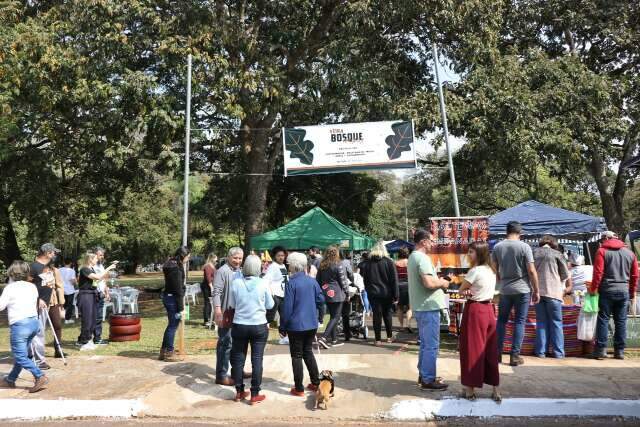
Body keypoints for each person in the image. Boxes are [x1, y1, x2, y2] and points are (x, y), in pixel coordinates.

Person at [492, 221, 540, 367]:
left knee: (501, 321)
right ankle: (514, 356)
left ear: (506, 231)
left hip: (505, 290)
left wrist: (500, 281)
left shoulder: (498, 247)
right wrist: (536, 290)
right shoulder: (525, 247)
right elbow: (531, 270)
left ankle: (497, 354)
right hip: (523, 289)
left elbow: (494, 268)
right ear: (520, 232)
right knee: (520, 322)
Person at [228, 254, 274, 405]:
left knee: (238, 358)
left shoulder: (236, 283)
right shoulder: (263, 283)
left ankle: (239, 391)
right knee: (257, 359)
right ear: (259, 267)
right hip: (259, 325)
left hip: (240, 325)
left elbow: (232, 305)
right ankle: (255, 393)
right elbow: (270, 305)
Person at [458, 241, 501, 402]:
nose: (469, 255)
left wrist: (468, 292)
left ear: (479, 253)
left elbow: (462, 290)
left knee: (472, 349)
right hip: (489, 310)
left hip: (475, 310)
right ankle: (496, 390)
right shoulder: (491, 270)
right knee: (490, 350)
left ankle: (470, 390)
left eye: (471, 252)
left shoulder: (474, 271)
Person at [408, 229, 450, 391]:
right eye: (431, 241)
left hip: (422, 306)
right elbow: (429, 283)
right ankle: (428, 379)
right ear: (423, 242)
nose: (433, 244)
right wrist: (443, 282)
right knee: (431, 345)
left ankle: (425, 374)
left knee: (426, 344)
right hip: (428, 307)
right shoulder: (422, 258)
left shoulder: (413, 257)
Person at [279, 252, 325, 396]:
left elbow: (287, 308)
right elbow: (321, 300)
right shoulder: (312, 281)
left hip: (295, 325)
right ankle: (316, 382)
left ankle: (299, 388)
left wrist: (282, 326)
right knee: (308, 352)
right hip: (311, 323)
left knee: (296, 356)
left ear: (292, 266)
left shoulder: (291, 283)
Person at [0, 261, 49, 393]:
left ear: (12, 273)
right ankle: (10, 379)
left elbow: (1, 306)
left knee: (20, 356)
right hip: (33, 323)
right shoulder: (31, 286)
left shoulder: (10, 288)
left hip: (20, 325)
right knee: (21, 355)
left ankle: (39, 376)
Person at [590, 231, 639, 360]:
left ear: (606, 238)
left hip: (606, 290)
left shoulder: (601, 251)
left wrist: (593, 289)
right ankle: (619, 351)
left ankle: (601, 350)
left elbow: (598, 273)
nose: (601, 241)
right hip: (624, 291)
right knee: (621, 320)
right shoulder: (630, 253)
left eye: (602, 239)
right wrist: (632, 291)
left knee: (603, 319)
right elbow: (635, 275)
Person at [534, 235, 572, 359]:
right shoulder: (557, 254)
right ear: (554, 244)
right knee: (556, 322)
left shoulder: (534, 253)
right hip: (554, 292)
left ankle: (541, 352)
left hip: (538, 292)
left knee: (541, 322)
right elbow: (565, 275)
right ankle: (558, 352)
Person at [213, 247, 245, 386]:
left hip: (239, 314)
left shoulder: (240, 271)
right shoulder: (222, 271)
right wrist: (218, 311)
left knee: (237, 344)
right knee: (225, 344)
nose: (237, 261)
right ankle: (221, 375)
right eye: (235, 258)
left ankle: (238, 371)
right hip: (226, 313)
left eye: (240, 258)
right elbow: (216, 293)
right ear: (228, 257)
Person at [359, 241, 399, 345]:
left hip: (373, 293)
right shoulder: (389, 262)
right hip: (387, 293)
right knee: (387, 314)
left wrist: (368, 289)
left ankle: (377, 340)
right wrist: (396, 295)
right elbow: (394, 280)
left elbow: (365, 279)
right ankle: (389, 337)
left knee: (376, 315)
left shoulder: (367, 263)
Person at [77, 252, 116, 349]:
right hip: (86, 295)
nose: (97, 260)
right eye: (95, 258)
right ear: (90, 259)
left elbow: (97, 280)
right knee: (87, 319)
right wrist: (109, 268)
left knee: (93, 319)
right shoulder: (84, 269)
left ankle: (87, 339)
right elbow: (97, 277)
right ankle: (84, 341)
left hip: (93, 294)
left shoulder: (91, 269)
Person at [30, 243, 60, 370]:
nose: (55, 255)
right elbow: (26, 285)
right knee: (38, 332)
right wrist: (37, 300)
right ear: (47, 253)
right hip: (37, 305)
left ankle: (34, 357)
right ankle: (39, 360)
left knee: (40, 331)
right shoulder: (33, 267)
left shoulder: (46, 267)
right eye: (53, 252)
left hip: (45, 304)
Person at [316, 245, 350, 349]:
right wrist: (347, 293)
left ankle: (334, 340)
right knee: (335, 317)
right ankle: (324, 338)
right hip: (337, 293)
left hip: (326, 292)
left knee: (332, 316)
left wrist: (323, 289)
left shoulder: (322, 265)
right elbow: (343, 281)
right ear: (337, 254)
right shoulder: (338, 264)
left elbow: (318, 280)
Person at [160, 247, 190, 362]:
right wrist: (182, 309)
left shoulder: (170, 264)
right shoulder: (176, 268)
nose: (189, 258)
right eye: (188, 255)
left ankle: (164, 351)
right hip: (173, 299)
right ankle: (169, 352)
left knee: (171, 325)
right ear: (183, 255)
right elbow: (178, 290)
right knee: (173, 325)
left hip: (168, 297)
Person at [264, 246, 289, 344]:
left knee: (284, 316)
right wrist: (271, 294)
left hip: (284, 295)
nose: (281, 257)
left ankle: (283, 337)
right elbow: (266, 280)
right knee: (269, 317)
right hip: (275, 295)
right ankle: (262, 335)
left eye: (283, 255)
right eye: (279, 255)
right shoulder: (273, 267)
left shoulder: (283, 266)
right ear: (274, 256)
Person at [44, 263, 65, 358]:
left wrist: (61, 301)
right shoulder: (36, 268)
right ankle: (35, 351)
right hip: (40, 301)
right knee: (38, 328)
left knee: (57, 325)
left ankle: (58, 349)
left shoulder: (54, 270)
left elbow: (60, 286)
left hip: (53, 301)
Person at [92, 247, 111, 345]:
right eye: (100, 255)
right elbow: (96, 280)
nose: (102, 257)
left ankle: (97, 337)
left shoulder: (101, 266)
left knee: (99, 317)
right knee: (96, 317)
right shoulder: (92, 267)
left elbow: (104, 281)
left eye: (103, 255)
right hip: (95, 294)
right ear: (95, 255)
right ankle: (95, 338)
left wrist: (107, 292)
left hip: (101, 294)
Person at [395, 247, 413, 333]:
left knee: (399, 307)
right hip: (409, 285)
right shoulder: (410, 263)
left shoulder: (395, 263)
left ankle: (401, 326)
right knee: (410, 307)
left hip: (398, 286)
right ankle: (408, 324)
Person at [201, 253, 217, 327]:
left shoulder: (212, 266)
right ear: (212, 258)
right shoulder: (207, 266)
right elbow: (208, 277)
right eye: (215, 258)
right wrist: (211, 287)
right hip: (207, 287)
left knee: (211, 303)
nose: (216, 259)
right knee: (207, 303)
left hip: (211, 286)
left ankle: (211, 319)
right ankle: (206, 320)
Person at [59, 258, 77, 324]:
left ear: (64, 263)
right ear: (70, 263)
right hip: (69, 290)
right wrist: (75, 282)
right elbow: (72, 281)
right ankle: (67, 319)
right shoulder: (72, 271)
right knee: (69, 305)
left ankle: (60, 317)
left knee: (62, 304)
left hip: (61, 289)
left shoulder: (59, 270)